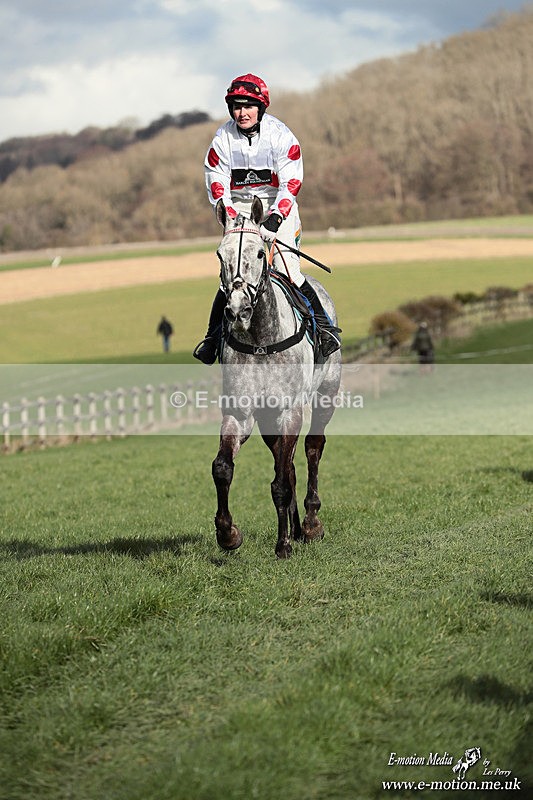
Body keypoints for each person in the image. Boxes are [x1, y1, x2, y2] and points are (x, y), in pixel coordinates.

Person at [193, 73, 341, 364]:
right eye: (236, 106)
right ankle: (212, 340)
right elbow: (216, 180)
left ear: (260, 108)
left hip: (278, 208)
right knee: (234, 280)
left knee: (291, 274)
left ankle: (324, 331)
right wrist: (234, 218)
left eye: (248, 106)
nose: (242, 112)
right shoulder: (222, 138)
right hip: (239, 211)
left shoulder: (281, 136)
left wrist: (274, 220)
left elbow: (292, 182)